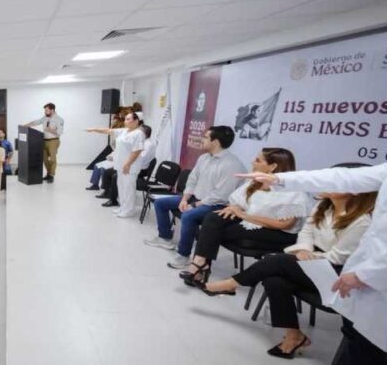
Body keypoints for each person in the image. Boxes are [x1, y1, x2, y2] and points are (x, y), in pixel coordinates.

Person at [236, 163, 387, 365]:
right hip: (372, 276)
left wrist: (366, 273)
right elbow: (343, 177)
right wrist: (279, 179)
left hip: (376, 275)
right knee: (362, 336)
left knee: (369, 338)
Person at [202, 184, 376, 358]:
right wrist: (304, 250)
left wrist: (309, 256)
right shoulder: (323, 207)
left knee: (275, 261)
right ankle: (294, 336)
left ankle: (231, 284)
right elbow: (306, 233)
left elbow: (338, 257)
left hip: (334, 274)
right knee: (274, 279)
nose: (327, 183)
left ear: (355, 191)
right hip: (309, 260)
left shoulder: (362, 222)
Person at [178, 148, 309, 286]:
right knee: (213, 218)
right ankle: (199, 263)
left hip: (279, 233)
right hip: (251, 221)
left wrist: (243, 215)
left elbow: (284, 225)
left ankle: (199, 269)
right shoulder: (257, 181)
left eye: (258, 160)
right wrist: (233, 208)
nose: (253, 162)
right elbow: (237, 201)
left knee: (211, 232)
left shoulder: (293, 191)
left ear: (273, 166)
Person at [144, 126, 246, 268]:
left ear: (215, 142)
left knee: (188, 216)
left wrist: (194, 205)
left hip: (217, 204)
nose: (202, 139)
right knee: (160, 203)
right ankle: (165, 237)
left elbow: (220, 195)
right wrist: (185, 199)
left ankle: (183, 255)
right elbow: (192, 180)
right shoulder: (204, 158)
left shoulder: (232, 165)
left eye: (205, 137)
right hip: (196, 198)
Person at [86, 111, 146, 218]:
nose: (125, 121)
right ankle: (123, 207)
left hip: (130, 167)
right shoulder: (124, 131)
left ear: (136, 121)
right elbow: (108, 131)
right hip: (120, 165)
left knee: (128, 188)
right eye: (125, 119)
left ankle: (129, 210)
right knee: (121, 187)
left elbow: (137, 150)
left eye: (128, 119)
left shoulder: (138, 133)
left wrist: (128, 164)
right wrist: (94, 129)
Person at [25, 103, 64, 182]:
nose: (45, 112)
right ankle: (48, 174)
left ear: (52, 110)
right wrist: (26, 125)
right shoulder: (45, 117)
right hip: (43, 141)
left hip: (53, 141)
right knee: (44, 159)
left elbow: (60, 132)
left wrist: (50, 130)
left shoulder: (59, 119)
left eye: (46, 110)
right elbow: (36, 122)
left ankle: (51, 175)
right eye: (45, 110)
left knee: (52, 159)